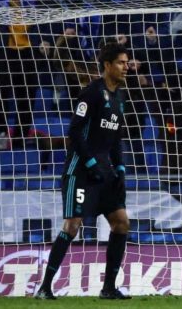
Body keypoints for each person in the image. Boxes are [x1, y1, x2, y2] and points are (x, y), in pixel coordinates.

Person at [35, 42, 132, 301]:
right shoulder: (91, 93)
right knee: (72, 225)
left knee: (121, 222)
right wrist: (90, 164)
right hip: (80, 170)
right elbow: (75, 131)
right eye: (121, 63)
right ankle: (45, 288)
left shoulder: (119, 97)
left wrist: (120, 169)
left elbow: (116, 138)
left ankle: (108, 288)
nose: (126, 67)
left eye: (127, 62)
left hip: (105, 171)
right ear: (107, 65)